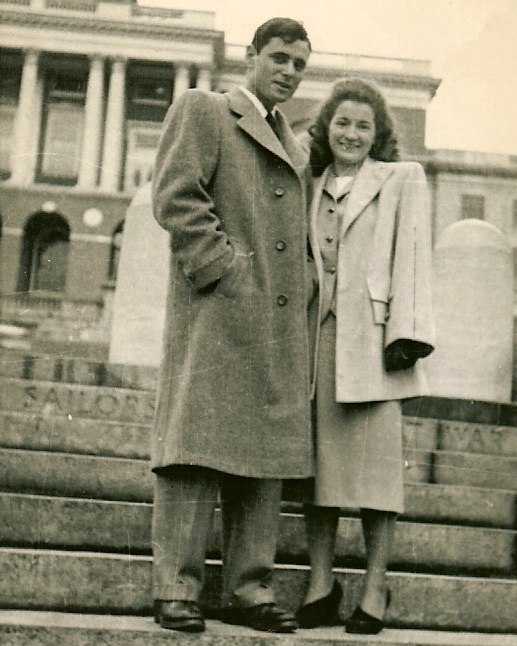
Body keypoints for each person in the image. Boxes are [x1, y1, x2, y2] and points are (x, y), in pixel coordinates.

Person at [151, 18, 312, 634]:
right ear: (250, 57)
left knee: (264, 455)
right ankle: (176, 589)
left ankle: (250, 589)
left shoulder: (293, 143)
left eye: (299, 63)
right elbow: (175, 196)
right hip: (217, 313)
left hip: (275, 325)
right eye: (278, 57)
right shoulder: (205, 109)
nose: (289, 72)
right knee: (195, 449)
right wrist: (225, 271)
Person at [296, 77, 435, 635]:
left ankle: (376, 585)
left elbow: (414, 259)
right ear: (326, 129)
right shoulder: (309, 181)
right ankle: (320, 583)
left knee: (377, 477)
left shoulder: (402, 178)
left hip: (379, 346)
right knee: (319, 471)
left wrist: (407, 335)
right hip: (317, 343)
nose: (351, 133)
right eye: (342, 123)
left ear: (378, 135)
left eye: (363, 125)